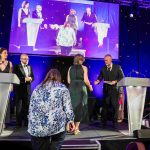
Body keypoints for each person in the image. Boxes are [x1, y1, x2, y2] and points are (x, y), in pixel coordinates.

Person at [28, 69, 75, 150]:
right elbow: (68, 107)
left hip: (37, 127)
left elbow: (31, 106)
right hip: (55, 125)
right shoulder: (62, 88)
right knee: (58, 138)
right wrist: (71, 121)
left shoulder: (37, 88)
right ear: (59, 77)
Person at [94, 54, 124, 128]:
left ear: (111, 60)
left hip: (114, 89)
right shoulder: (103, 68)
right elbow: (100, 76)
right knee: (105, 106)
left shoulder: (117, 67)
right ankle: (103, 123)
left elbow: (122, 77)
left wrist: (116, 81)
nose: (105, 61)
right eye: (104, 60)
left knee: (115, 106)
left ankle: (114, 122)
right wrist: (98, 81)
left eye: (106, 60)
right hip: (106, 89)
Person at [67, 54, 93, 135]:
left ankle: (72, 126)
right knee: (80, 107)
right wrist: (90, 87)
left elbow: (68, 81)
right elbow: (86, 80)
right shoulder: (84, 68)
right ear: (81, 60)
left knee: (72, 107)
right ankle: (76, 128)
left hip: (71, 88)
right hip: (81, 88)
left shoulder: (70, 68)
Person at [14, 54, 34, 127]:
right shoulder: (17, 66)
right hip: (19, 90)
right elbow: (16, 77)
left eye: (27, 59)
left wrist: (31, 78)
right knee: (19, 107)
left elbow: (33, 76)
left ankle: (26, 123)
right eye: (25, 59)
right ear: (21, 59)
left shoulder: (30, 67)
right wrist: (25, 79)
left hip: (27, 90)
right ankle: (18, 123)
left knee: (27, 107)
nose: (26, 60)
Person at [0, 47, 13, 127]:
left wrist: (11, 85)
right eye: (4, 53)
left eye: (7, 53)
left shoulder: (9, 63)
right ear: (0, 54)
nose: (6, 54)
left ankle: (4, 122)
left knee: (5, 104)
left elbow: (11, 75)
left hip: (6, 86)